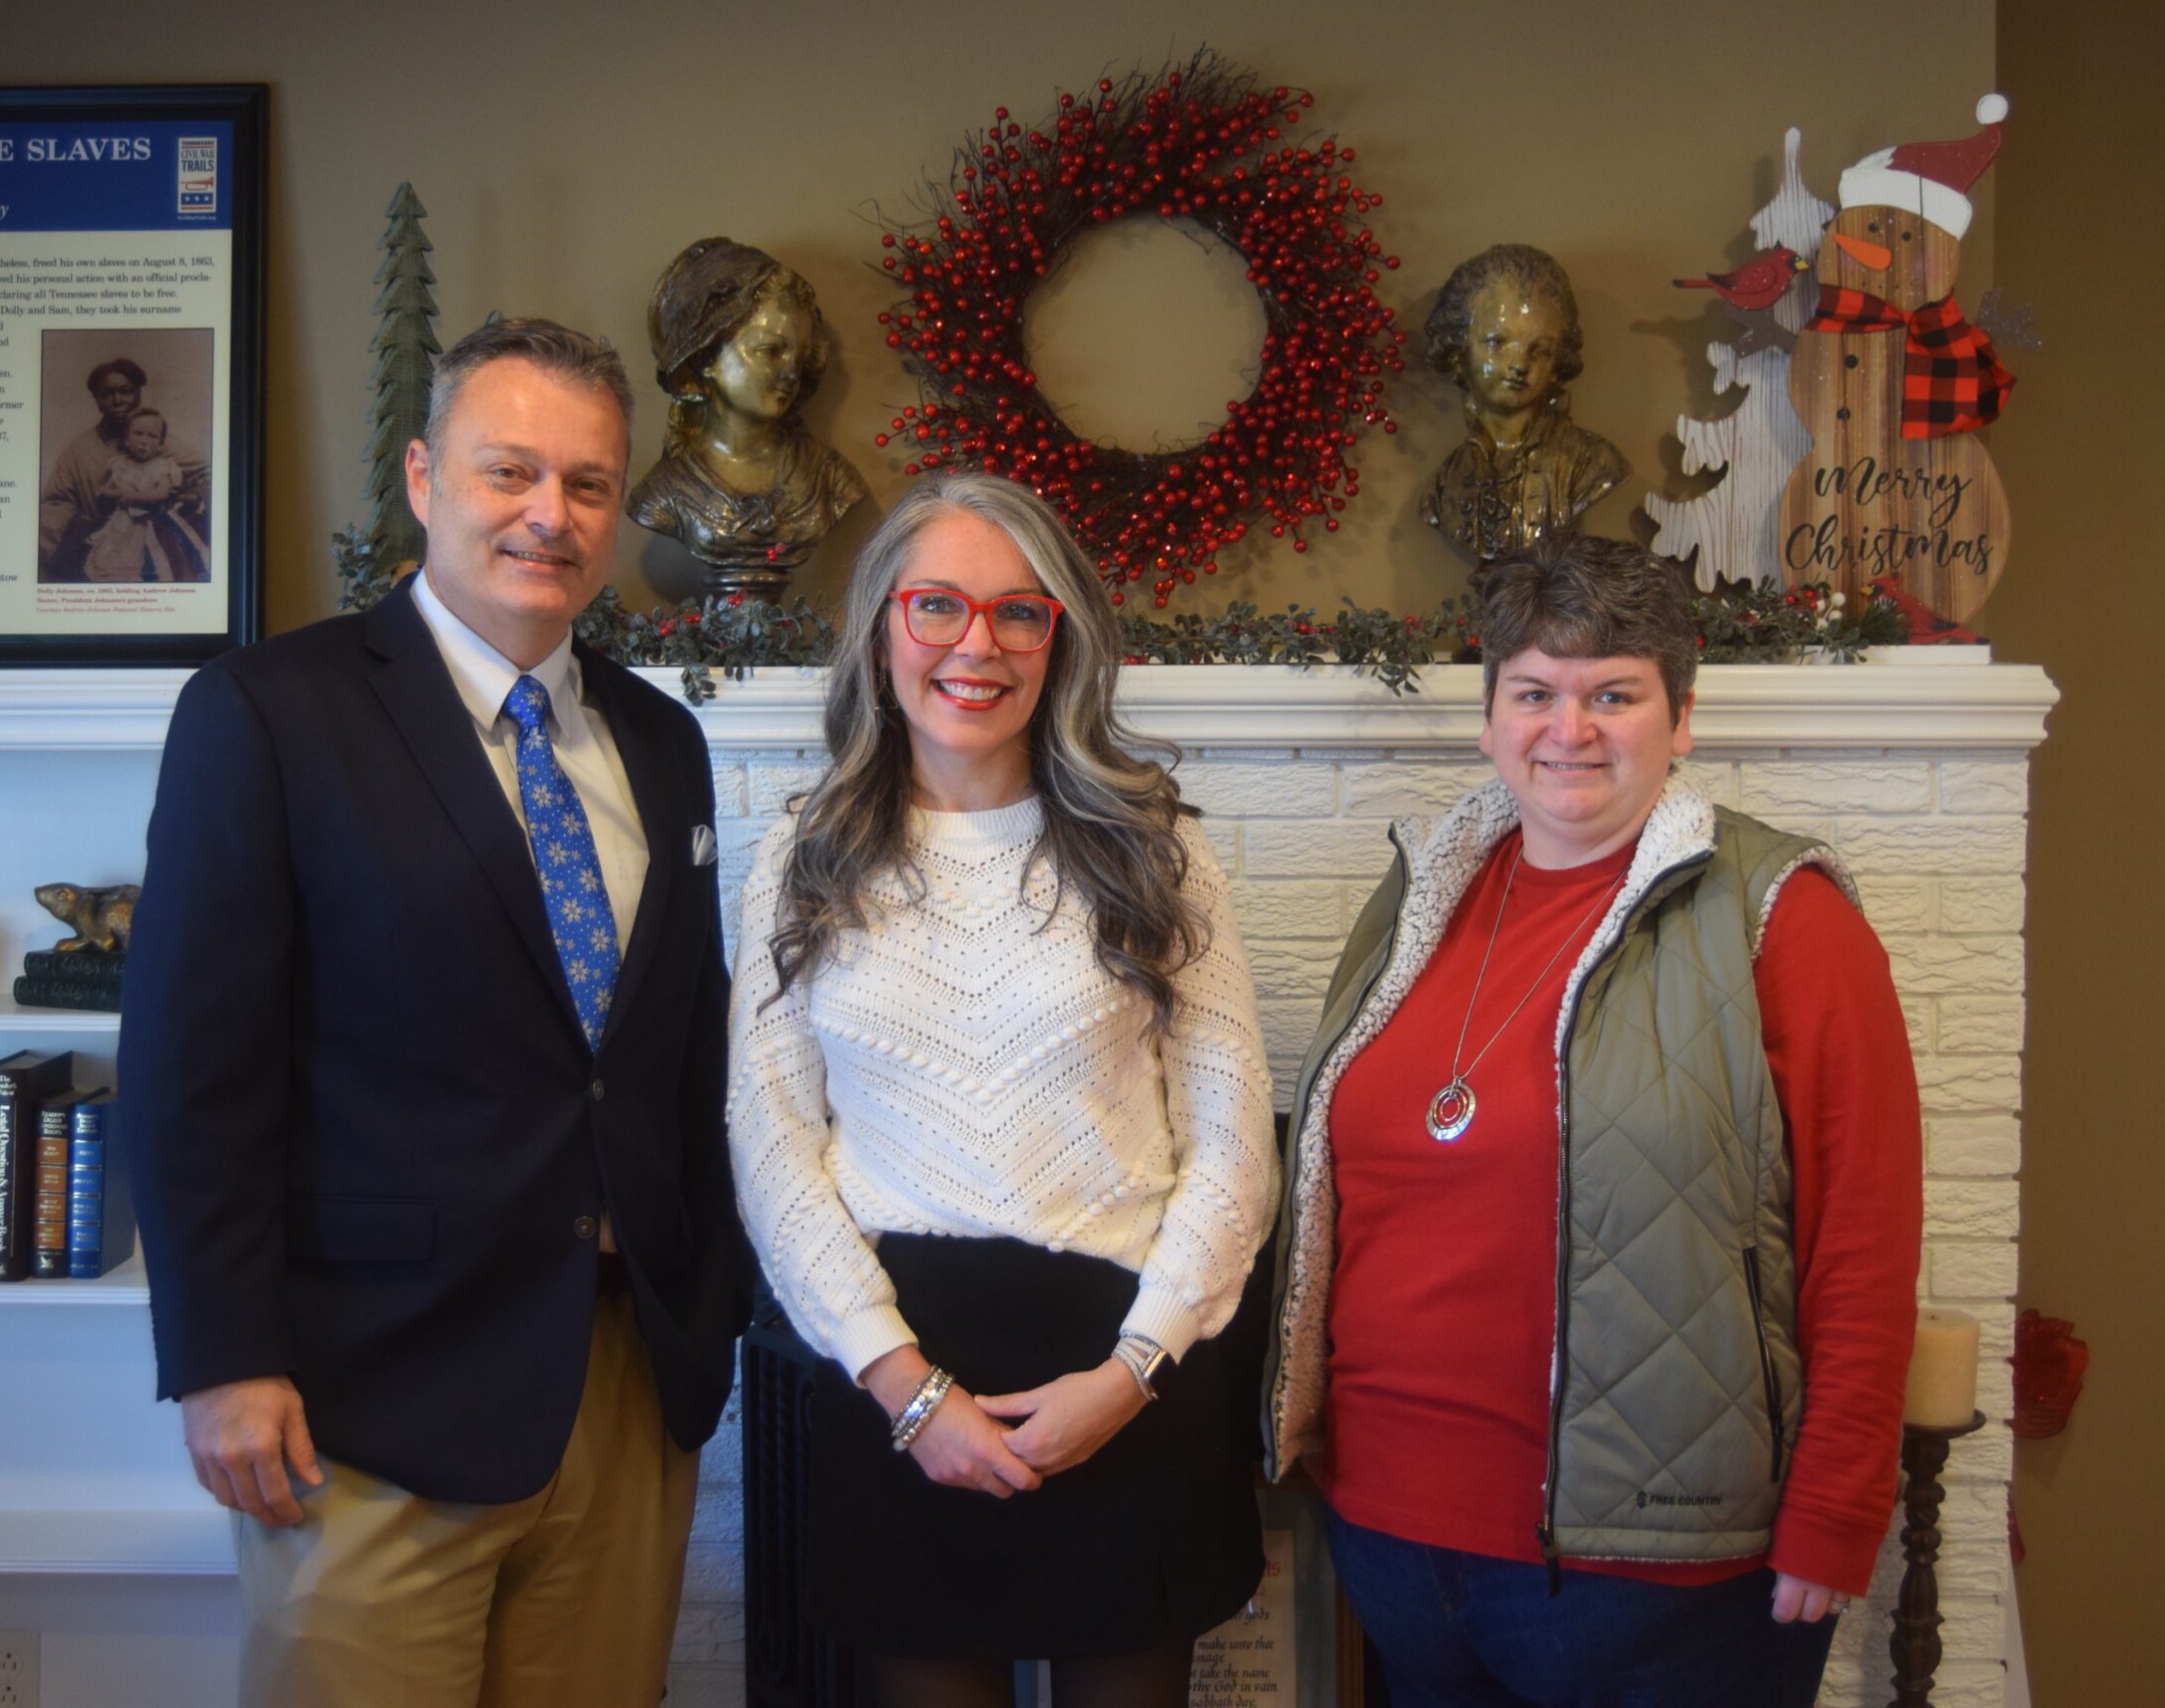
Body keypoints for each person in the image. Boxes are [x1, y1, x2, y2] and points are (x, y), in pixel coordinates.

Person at [122, 317, 750, 1708]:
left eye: (588, 484)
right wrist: (222, 1358)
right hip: (364, 1401)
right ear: (422, 477)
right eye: (509, 470)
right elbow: (188, 1067)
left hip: (622, 1388)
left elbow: (681, 1045)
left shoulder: (662, 739)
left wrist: (710, 1305)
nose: (550, 513)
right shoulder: (268, 712)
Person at [1266, 534, 1922, 1708]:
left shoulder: (1780, 914)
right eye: (1533, 692)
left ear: (1679, 718)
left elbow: (1863, 1237)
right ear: (1488, 717)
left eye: (1613, 693)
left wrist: (1835, 1507)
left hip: (1660, 1577)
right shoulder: (1420, 894)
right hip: (1393, 1538)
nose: (1567, 728)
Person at [729, 471, 1277, 1707]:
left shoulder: (1155, 847)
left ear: (1059, 640)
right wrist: (907, 1391)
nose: (977, 645)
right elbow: (770, 1152)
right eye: (937, 607)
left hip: (1131, 1378)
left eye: (1018, 614)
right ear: (881, 631)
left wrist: (1133, 1371)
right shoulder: (802, 857)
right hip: (896, 1387)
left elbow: (1234, 1141)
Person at [627, 237, 865, 596]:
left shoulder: (829, 479)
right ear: (706, 357)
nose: (791, 373)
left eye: (798, 357)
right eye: (769, 351)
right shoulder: (662, 492)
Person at [1419, 245, 1630, 572]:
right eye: (1497, 343)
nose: (1519, 364)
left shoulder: (1594, 463)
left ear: (1559, 359)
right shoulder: (1443, 485)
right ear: (1459, 349)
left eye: (1540, 350)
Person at [38, 356, 208, 580]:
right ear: (96, 399)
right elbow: (52, 505)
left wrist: (187, 500)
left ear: (138, 393)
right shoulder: (79, 450)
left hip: (156, 548)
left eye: (126, 391)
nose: (117, 400)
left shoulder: (162, 444)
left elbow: (210, 479)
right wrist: (87, 527)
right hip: (100, 547)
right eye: (106, 394)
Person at [81, 407, 212, 583]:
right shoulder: (120, 465)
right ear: (126, 440)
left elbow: (161, 493)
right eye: (138, 434)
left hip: (154, 520)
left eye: (152, 436)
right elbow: (105, 489)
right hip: (124, 520)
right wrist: (117, 494)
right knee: (114, 557)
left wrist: (132, 496)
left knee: (161, 558)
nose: (144, 441)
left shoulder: (163, 466)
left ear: (161, 444)